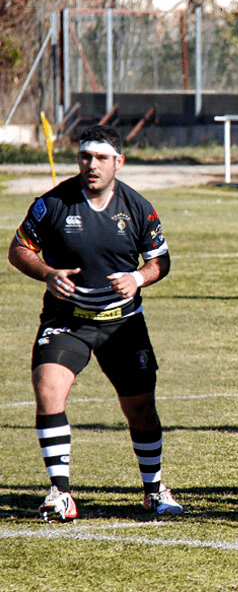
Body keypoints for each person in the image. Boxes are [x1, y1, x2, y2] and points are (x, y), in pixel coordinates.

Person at [8, 125, 182, 521]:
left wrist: (137, 278)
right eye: (86, 157)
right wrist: (47, 272)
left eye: (102, 158)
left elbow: (160, 262)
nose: (92, 165)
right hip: (66, 320)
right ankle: (61, 494)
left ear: (118, 162)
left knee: (140, 408)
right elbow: (18, 249)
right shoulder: (51, 204)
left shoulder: (138, 207)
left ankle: (154, 490)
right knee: (48, 388)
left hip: (122, 323)